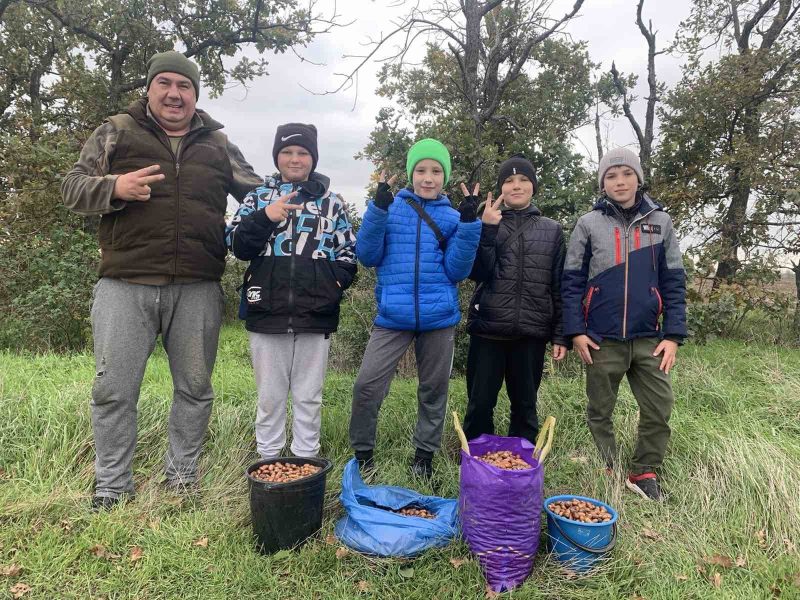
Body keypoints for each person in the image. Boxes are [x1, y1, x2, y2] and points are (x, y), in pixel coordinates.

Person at [61, 51, 262, 509]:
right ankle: (112, 487)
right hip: (124, 284)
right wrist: (114, 188)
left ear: (196, 93)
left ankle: (182, 480)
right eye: (165, 84)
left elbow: (258, 196)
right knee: (113, 390)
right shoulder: (115, 131)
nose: (175, 94)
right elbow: (71, 188)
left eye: (185, 86)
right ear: (149, 89)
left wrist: (305, 189)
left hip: (197, 286)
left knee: (195, 388)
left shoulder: (219, 145)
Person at [349, 138, 482, 478]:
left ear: (445, 177)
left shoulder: (454, 217)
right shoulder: (390, 210)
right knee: (367, 385)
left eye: (436, 171)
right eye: (421, 170)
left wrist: (468, 226)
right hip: (392, 317)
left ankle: (423, 459)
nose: (428, 177)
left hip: (439, 319)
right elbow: (367, 256)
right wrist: (377, 209)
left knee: (433, 390)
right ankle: (363, 456)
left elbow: (458, 271)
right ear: (410, 174)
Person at [561, 147, 687, 501]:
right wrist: (575, 332)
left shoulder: (661, 222)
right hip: (601, 338)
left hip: (649, 337)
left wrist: (674, 334)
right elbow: (570, 281)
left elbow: (674, 280)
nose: (620, 181)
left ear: (638, 178)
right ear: (603, 182)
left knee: (659, 407)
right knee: (600, 408)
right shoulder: (588, 223)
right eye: (611, 175)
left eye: (626, 173)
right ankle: (607, 465)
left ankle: (643, 471)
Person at [226, 123, 356, 460]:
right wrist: (266, 216)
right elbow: (237, 245)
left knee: (308, 395)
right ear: (276, 156)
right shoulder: (257, 197)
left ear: (312, 158)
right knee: (270, 395)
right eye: (287, 152)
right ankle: (269, 462)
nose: (295, 159)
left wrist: (333, 285)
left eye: (302, 152)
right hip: (265, 309)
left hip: (317, 313)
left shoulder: (332, 203)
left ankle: (305, 460)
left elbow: (348, 254)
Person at [463, 154, 567, 444]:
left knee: (525, 407)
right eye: (508, 181)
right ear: (500, 189)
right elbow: (477, 273)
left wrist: (560, 334)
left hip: (531, 333)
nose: (516, 186)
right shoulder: (488, 222)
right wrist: (486, 229)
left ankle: (520, 466)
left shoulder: (552, 230)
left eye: (523, 180)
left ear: (533, 186)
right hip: (488, 330)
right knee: (480, 404)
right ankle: (476, 464)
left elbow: (558, 285)